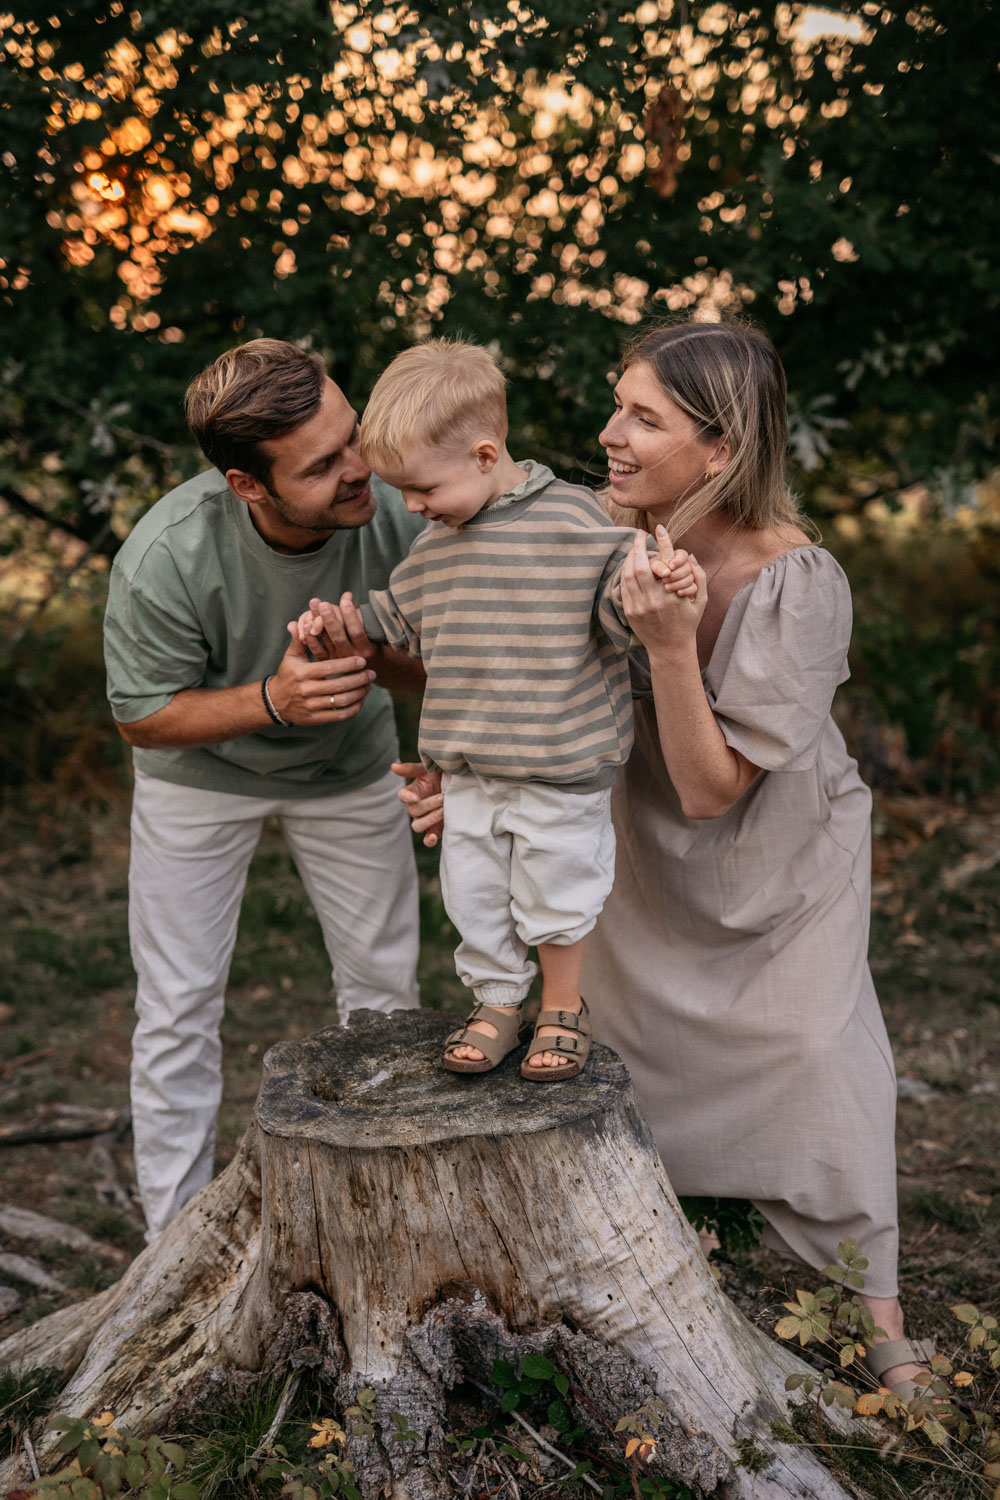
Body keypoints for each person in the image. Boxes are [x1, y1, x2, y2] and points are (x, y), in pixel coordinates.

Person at [397, 318, 928, 1400]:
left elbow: (713, 785)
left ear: (720, 447)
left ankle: (880, 1324)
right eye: (616, 405)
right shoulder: (582, 532)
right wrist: (465, 772)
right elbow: (499, 664)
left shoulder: (798, 580)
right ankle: (654, 1258)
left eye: (644, 417)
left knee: (819, 1057)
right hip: (635, 847)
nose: (610, 434)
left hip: (778, 863)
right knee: (614, 1056)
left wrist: (670, 643)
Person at [298, 338, 693, 1081]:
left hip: (560, 763)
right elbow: (397, 616)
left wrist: (657, 586)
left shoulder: (577, 523)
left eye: (422, 490)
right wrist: (338, 626)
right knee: (476, 898)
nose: (411, 508)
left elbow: (618, 609)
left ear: (484, 456)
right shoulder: (434, 548)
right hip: (468, 770)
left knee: (557, 897)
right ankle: (498, 1003)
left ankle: (563, 1006)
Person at [103, 338, 426, 1239]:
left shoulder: (402, 507)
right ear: (250, 485)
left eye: (353, 435)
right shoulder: (166, 555)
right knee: (177, 1008)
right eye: (324, 466)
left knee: (385, 996)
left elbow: (448, 665)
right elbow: (140, 715)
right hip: (197, 779)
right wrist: (275, 701)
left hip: (350, 769)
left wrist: (374, 660)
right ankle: (172, 1242)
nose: (361, 470)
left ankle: (390, 1216)